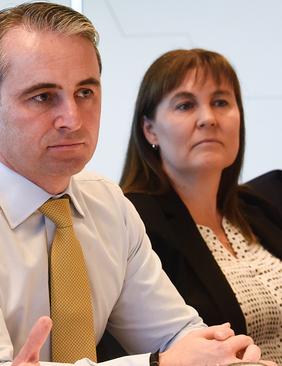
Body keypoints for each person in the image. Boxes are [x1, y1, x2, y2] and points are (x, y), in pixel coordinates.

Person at [0, 3, 275, 366]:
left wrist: (225, 358)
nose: (74, 119)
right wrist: (160, 365)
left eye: (85, 92)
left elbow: (179, 335)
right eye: (44, 97)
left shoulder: (106, 204)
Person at [120, 49, 282, 362]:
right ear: (150, 130)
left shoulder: (265, 203)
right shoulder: (134, 220)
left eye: (221, 102)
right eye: (185, 105)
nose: (208, 118)